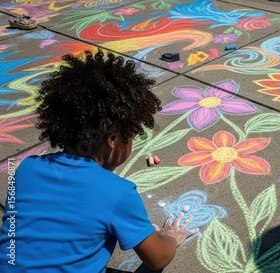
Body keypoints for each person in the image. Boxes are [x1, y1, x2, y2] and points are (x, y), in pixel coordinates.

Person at [0, 50, 198, 272]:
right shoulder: (117, 193)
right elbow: (158, 258)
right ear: (113, 139)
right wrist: (169, 237)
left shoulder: (25, 168)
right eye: (130, 136)